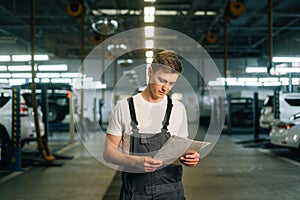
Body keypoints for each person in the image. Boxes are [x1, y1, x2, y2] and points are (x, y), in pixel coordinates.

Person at [103, 50, 200, 200]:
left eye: (171, 83)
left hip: (171, 192)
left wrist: (190, 157)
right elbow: (109, 153)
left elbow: (182, 149)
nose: (165, 88)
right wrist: (134, 161)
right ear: (150, 71)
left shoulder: (178, 109)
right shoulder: (124, 107)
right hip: (136, 193)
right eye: (161, 80)